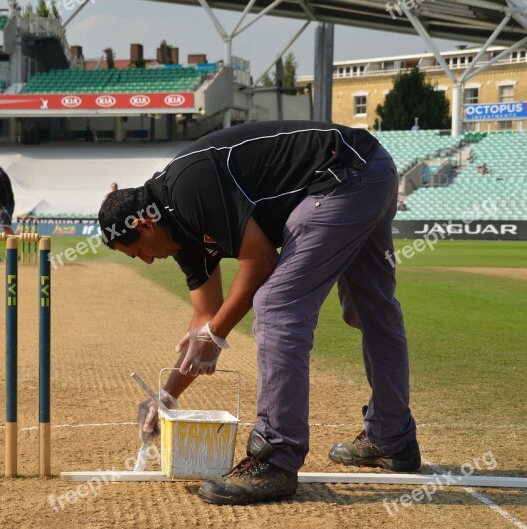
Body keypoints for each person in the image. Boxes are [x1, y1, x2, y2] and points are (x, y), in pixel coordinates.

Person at [98, 120, 419, 505]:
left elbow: (261, 259)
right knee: (373, 310)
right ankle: (391, 437)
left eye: (140, 252)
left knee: (276, 305)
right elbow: (205, 318)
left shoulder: (186, 188)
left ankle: (276, 458)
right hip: (370, 168)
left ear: (145, 224)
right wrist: (166, 396)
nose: (148, 261)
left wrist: (215, 334)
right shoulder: (177, 233)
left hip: (344, 176)